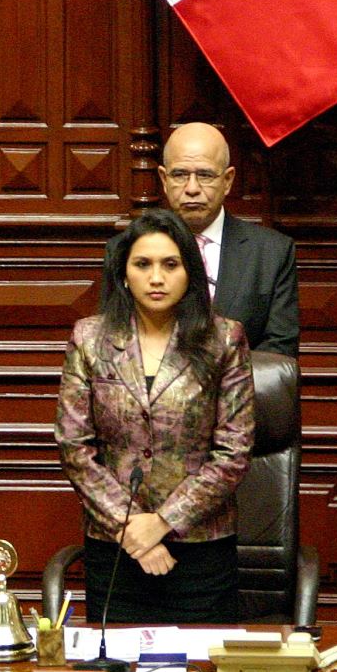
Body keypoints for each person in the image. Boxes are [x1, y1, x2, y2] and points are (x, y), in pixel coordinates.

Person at [56, 207, 256, 623]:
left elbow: (233, 451)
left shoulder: (225, 339)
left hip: (201, 550)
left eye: (170, 264)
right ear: (123, 273)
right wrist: (132, 527)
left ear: (191, 273)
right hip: (117, 548)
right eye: (142, 264)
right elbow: (74, 446)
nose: (157, 277)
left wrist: (163, 522)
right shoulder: (89, 339)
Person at [157, 122, 299, 356]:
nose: (192, 188)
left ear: (228, 180)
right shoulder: (130, 250)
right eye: (180, 175)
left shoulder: (271, 253)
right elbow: (115, 342)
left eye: (205, 175)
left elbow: (279, 352)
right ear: (164, 179)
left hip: (240, 389)